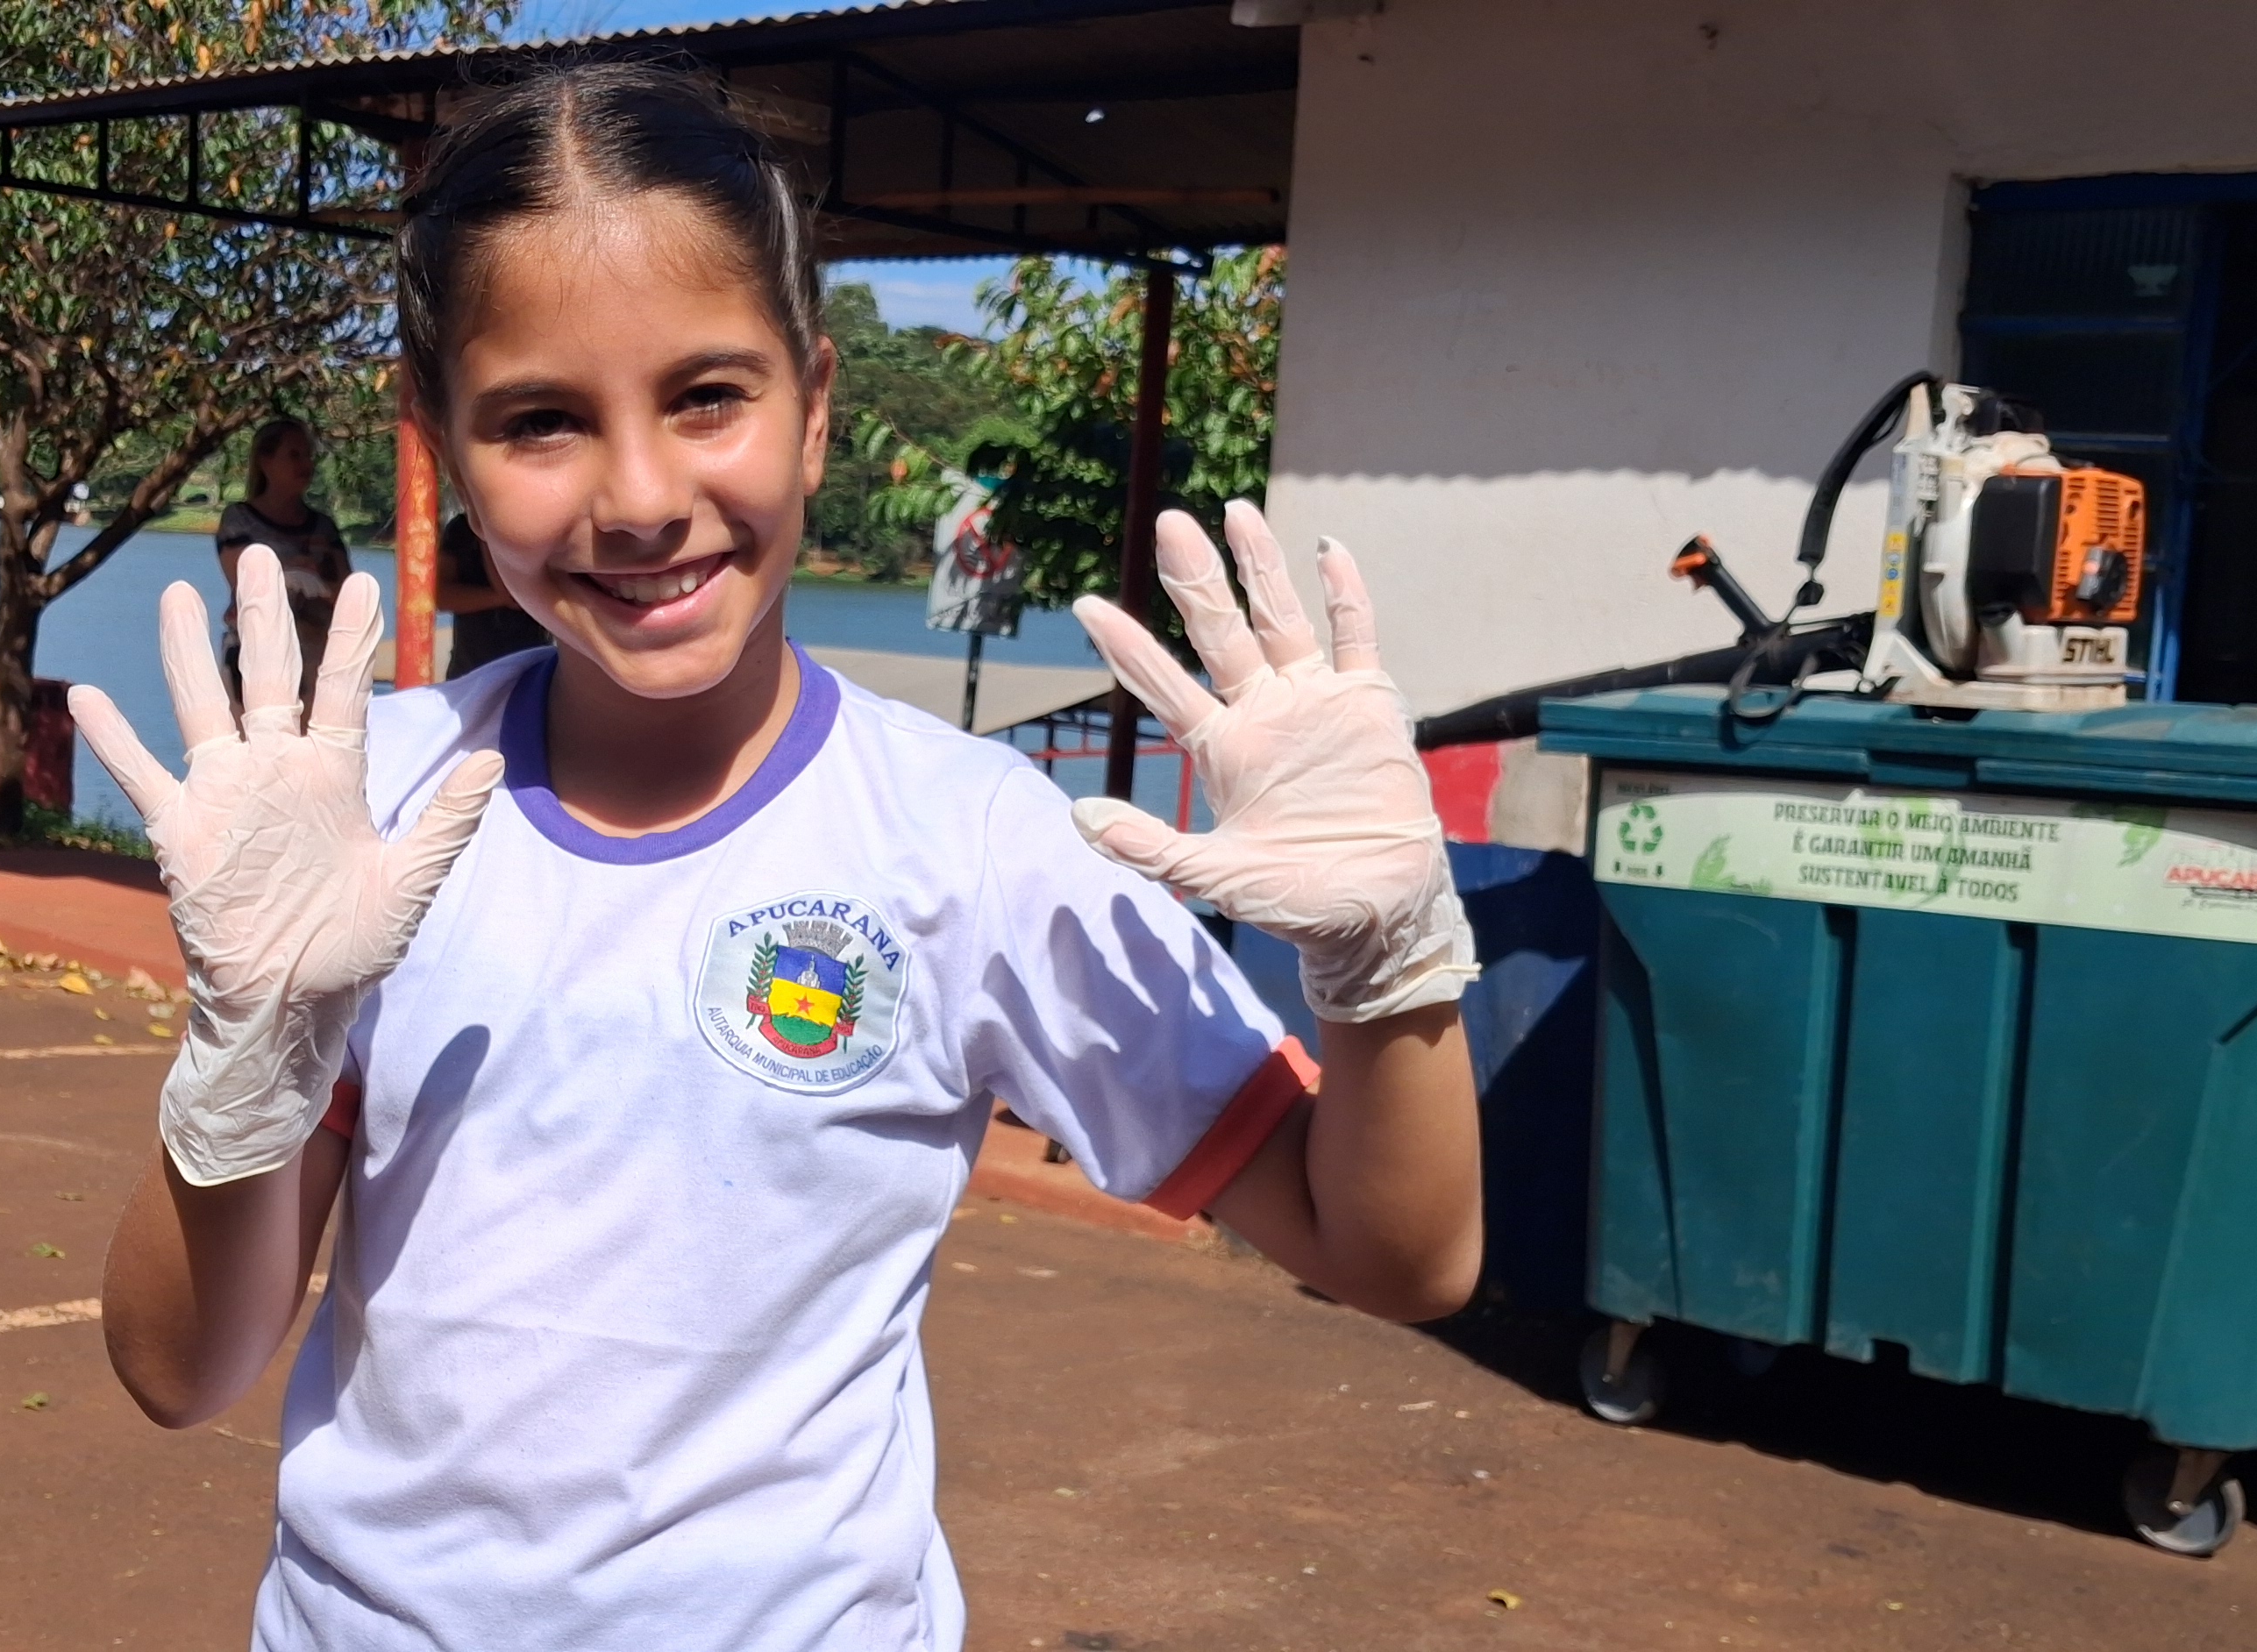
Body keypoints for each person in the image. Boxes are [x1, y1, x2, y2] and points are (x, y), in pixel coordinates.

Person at [71, 62, 1482, 1651]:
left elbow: (1399, 1248)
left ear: (816, 406)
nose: (643, 496)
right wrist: (244, 1046)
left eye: (709, 396)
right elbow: (178, 1369)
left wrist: (1388, 958)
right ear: (443, 446)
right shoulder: (368, 816)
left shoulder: (975, 841)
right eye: (541, 421)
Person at [215, 416, 356, 692]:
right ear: (265, 462)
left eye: (307, 456)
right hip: (255, 658)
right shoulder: (239, 520)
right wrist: (301, 571)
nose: (305, 464)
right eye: (294, 455)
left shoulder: (324, 527)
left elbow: (346, 591)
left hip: (317, 659)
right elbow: (243, 579)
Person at [434, 509, 550, 678]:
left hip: (526, 665)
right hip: (470, 667)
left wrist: (486, 535)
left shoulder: (536, 527)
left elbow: (510, 591)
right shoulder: (462, 528)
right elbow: (441, 598)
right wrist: (496, 598)